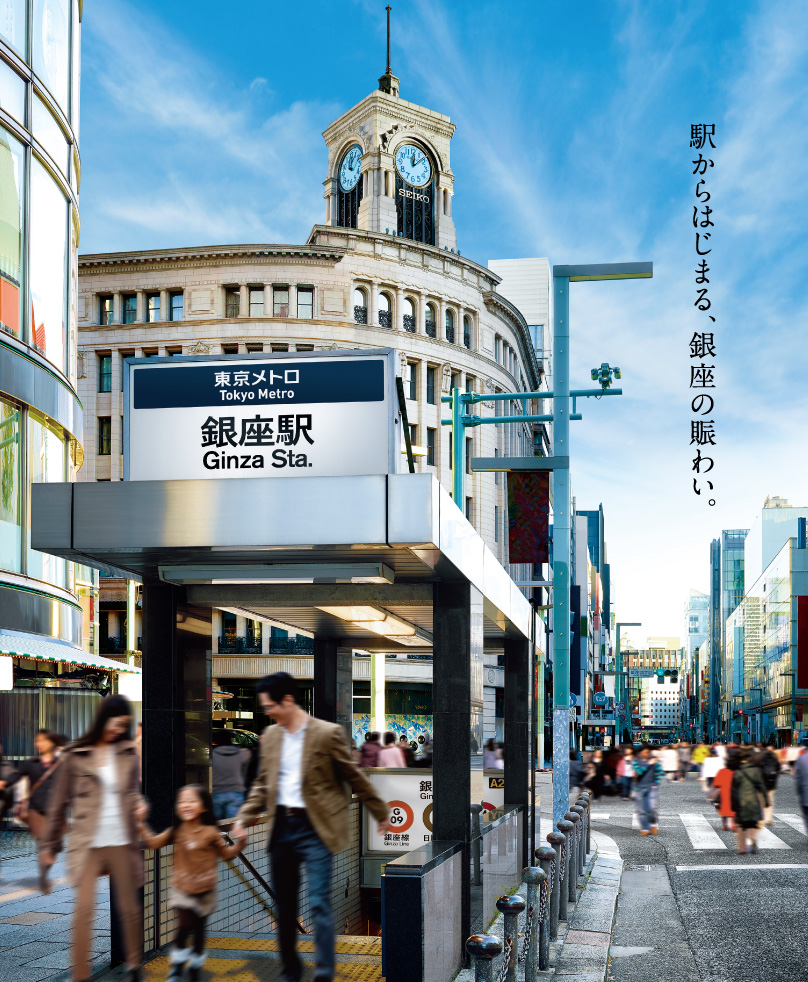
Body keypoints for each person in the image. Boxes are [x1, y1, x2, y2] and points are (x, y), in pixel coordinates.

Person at [232, 673, 390, 982]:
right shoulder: (272, 736)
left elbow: (353, 776)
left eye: (270, 706)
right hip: (282, 829)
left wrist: (379, 811)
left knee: (318, 901)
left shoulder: (327, 734)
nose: (267, 712)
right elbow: (263, 783)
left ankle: (324, 972)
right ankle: (290, 970)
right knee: (286, 905)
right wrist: (242, 818)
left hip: (315, 828)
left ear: (288, 701)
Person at [42, 694, 145, 982]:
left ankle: (135, 966)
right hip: (88, 843)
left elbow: (132, 791)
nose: (117, 729)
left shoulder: (127, 753)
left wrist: (139, 803)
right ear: (103, 719)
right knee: (84, 910)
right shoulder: (76, 755)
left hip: (121, 840)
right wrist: (50, 844)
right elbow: (58, 802)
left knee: (129, 908)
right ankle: (80, 975)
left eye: (123, 725)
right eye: (115, 723)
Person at [138, 785, 245, 981]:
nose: (186, 804)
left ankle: (195, 966)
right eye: (182, 801)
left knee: (199, 931)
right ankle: (178, 966)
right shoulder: (176, 832)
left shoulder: (211, 833)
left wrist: (241, 842)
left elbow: (228, 855)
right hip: (182, 890)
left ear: (204, 807)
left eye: (192, 801)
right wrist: (140, 823)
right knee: (184, 925)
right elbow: (153, 843)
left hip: (206, 891)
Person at [10, 729, 64, 893]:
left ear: (52, 743)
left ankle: (46, 868)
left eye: (43, 740)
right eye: (38, 741)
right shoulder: (31, 763)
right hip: (35, 810)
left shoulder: (60, 764)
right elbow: (17, 776)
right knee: (43, 843)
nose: (39, 744)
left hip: (54, 811)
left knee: (56, 846)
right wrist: (4, 783)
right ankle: (43, 878)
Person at [731, 748, 769, 855]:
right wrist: (766, 801)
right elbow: (762, 786)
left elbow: (733, 790)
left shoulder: (737, 772)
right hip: (753, 800)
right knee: (753, 823)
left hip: (741, 801)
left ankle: (742, 848)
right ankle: (752, 840)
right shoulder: (756, 771)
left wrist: (733, 804)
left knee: (741, 825)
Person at [211, 729, 250, 821]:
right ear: (231, 740)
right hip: (236, 792)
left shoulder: (213, 755)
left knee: (218, 824)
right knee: (232, 823)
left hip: (217, 792)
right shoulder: (240, 754)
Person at [631, 744, 663, 836]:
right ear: (640, 753)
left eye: (648, 752)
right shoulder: (635, 762)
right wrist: (648, 764)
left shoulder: (655, 761)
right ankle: (645, 828)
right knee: (641, 810)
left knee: (651, 808)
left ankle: (653, 824)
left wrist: (656, 784)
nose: (647, 754)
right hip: (639, 789)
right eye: (645, 752)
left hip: (651, 788)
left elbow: (659, 772)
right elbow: (638, 772)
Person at [712, 748, 738, 831]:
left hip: (724, 793)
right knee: (735, 810)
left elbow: (716, 784)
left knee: (724, 810)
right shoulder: (738, 772)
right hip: (736, 793)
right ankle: (734, 825)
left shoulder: (722, 771)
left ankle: (725, 825)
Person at [756, 742, 781, 826]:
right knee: (770, 800)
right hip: (771, 782)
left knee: (762, 800)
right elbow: (778, 768)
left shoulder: (760, 756)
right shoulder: (774, 756)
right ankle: (769, 818)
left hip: (762, 783)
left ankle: (762, 817)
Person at [793, 743, 808, 836]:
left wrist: (799, 791)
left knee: (807, 815)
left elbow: (797, 777)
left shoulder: (801, 758)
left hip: (806, 794)